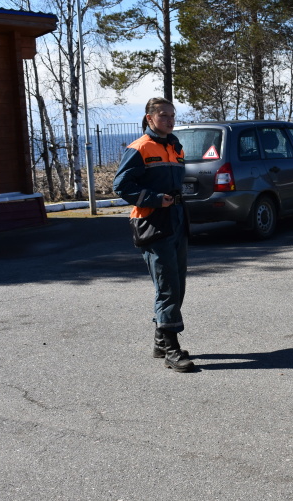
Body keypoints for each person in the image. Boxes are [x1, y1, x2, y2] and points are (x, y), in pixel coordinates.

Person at [113, 97, 195, 372]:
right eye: (163, 116)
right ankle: (172, 349)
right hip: (153, 224)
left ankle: (161, 341)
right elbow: (121, 185)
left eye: (172, 115)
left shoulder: (175, 146)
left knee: (177, 285)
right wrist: (156, 199)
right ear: (150, 119)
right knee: (167, 287)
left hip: (177, 222)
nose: (170, 120)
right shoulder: (139, 148)